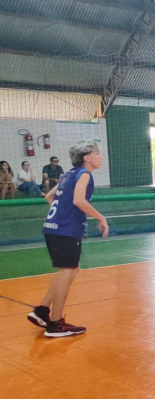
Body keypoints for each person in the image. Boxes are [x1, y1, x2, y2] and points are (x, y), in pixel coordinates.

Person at [28, 141, 109, 337]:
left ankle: (42, 310)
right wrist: (101, 217)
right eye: (97, 153)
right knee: (68, 271)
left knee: (71, 270)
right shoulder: (84, 174)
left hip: (53, 228)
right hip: (65, 230)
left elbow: (49, 196)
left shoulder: (69, 175)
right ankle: (55, 324)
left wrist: (59, 216)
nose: (101, 157)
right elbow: (78, 201)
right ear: (86, 158)